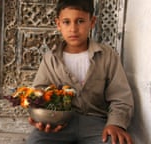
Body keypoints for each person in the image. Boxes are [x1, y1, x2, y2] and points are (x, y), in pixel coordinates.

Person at [26, 0, 134, 144]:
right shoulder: (50, 59)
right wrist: (40, 118)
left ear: (92, 22)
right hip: (59, 124)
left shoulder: (107, 55)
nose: (73, 29)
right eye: (66, 22)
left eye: (80, 21)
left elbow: (120, 96)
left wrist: (115, 123)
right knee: (35, 141)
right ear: (58, 24)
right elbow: (38, 93)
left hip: (96, 123)